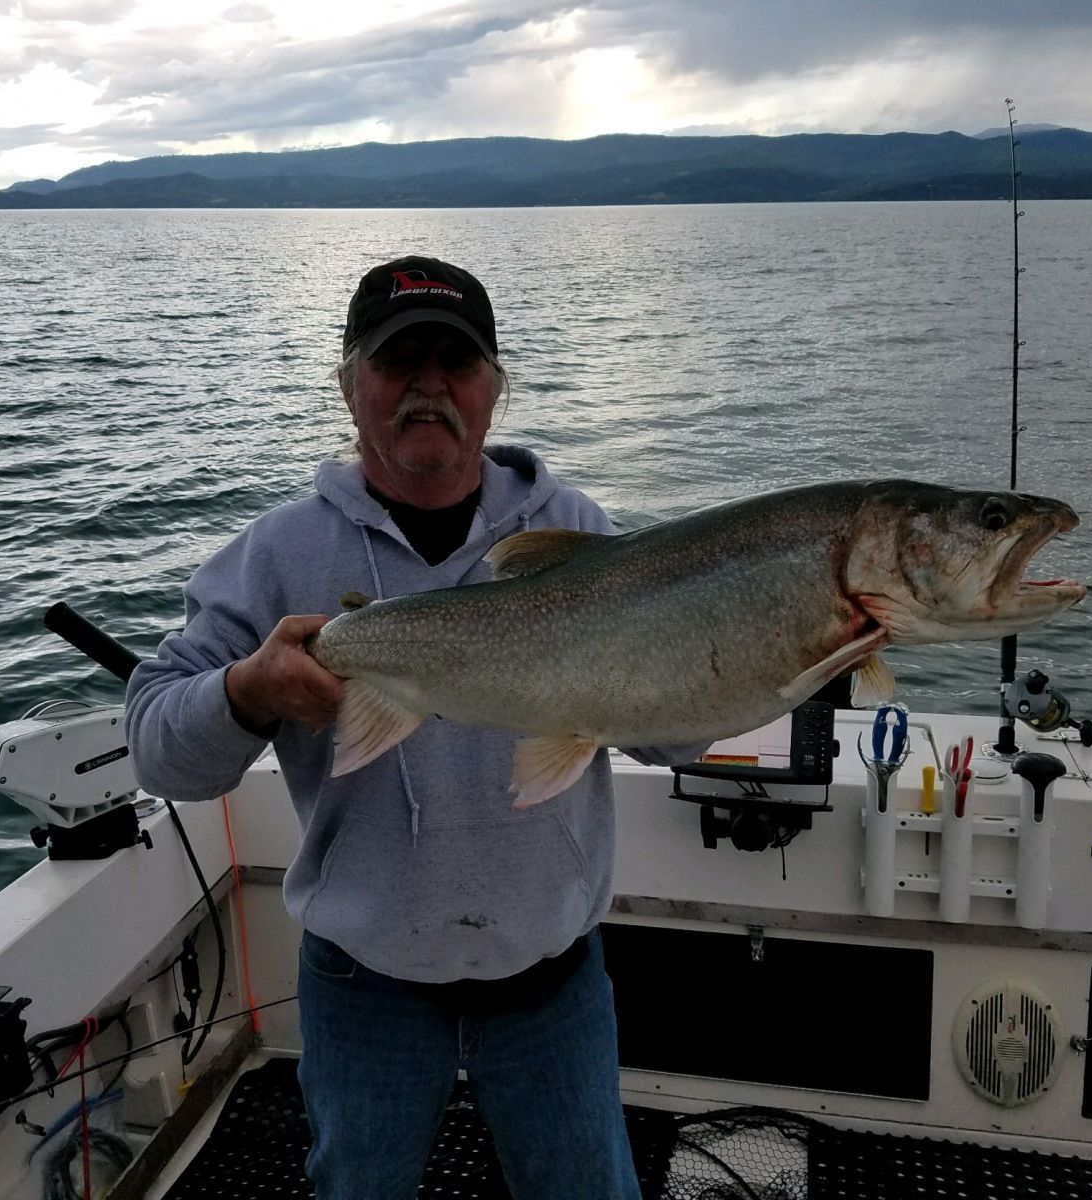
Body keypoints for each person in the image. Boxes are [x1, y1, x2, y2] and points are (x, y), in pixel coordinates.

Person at [125, 255, 702, 1200]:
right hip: (365, 984)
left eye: (456, 362)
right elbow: (156, 746)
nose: (428, 386)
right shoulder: (278, 554)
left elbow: (673, 742)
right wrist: (247, 690)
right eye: (399, 362)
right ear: (348, 383)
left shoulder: (576, 533)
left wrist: (779, 644)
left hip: (550, 977)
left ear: (496, 388)